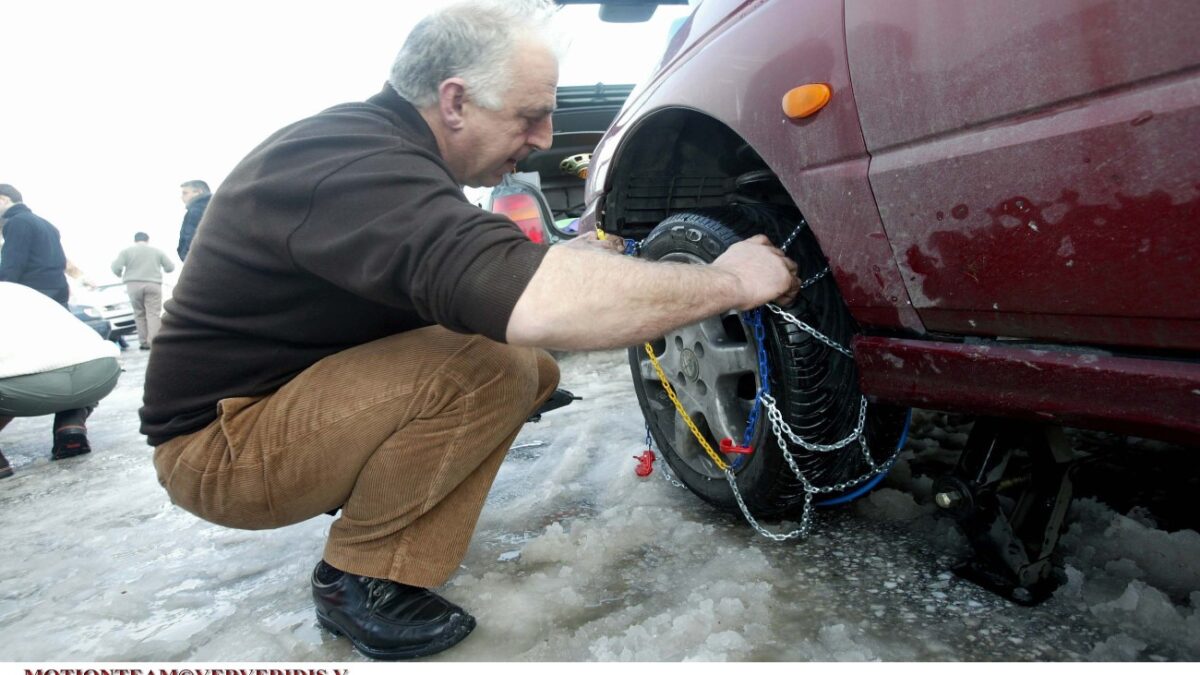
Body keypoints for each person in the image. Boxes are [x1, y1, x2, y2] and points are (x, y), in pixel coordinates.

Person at [140, 0, 798, 661]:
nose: (544, 137)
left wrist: (599, 259)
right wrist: (733, 283)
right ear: (455, 102)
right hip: (220, 448)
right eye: (528, 115)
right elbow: (533, 303)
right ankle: (363, 578)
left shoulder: (380, 152)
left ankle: (372, 541)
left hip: (277, 407)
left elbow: (489, 277)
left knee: (524, 369)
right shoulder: (352, 163)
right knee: (496, 369)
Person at [0, 282, 122, 477]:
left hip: (30, 386)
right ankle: (70, 424)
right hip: (99, 371)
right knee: (69, 366)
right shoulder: (18, 290)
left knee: (19, 374)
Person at [0, 184, 69, 306]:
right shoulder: (46, 224)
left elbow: (12, 265)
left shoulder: (17, 222)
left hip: (34, 292)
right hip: (59, 289)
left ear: (3, 200)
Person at [111, 232, 176, 350]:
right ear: (147, 240)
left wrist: (119, 273)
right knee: (153, 314)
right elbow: (170, 267)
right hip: (153, 284)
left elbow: (116, 267)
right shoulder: (157, 251)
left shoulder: (126, 252)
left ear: (135, 240)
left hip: (133, 285)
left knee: (139, 313)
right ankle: (154, 341)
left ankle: (143, 342)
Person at [176, 180, 211, 261]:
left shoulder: (196, 210)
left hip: (198, 262)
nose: (181, 197)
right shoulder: (214, 208)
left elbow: (190, 238)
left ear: (198, 192)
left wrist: (186, 257)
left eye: (185, 193)